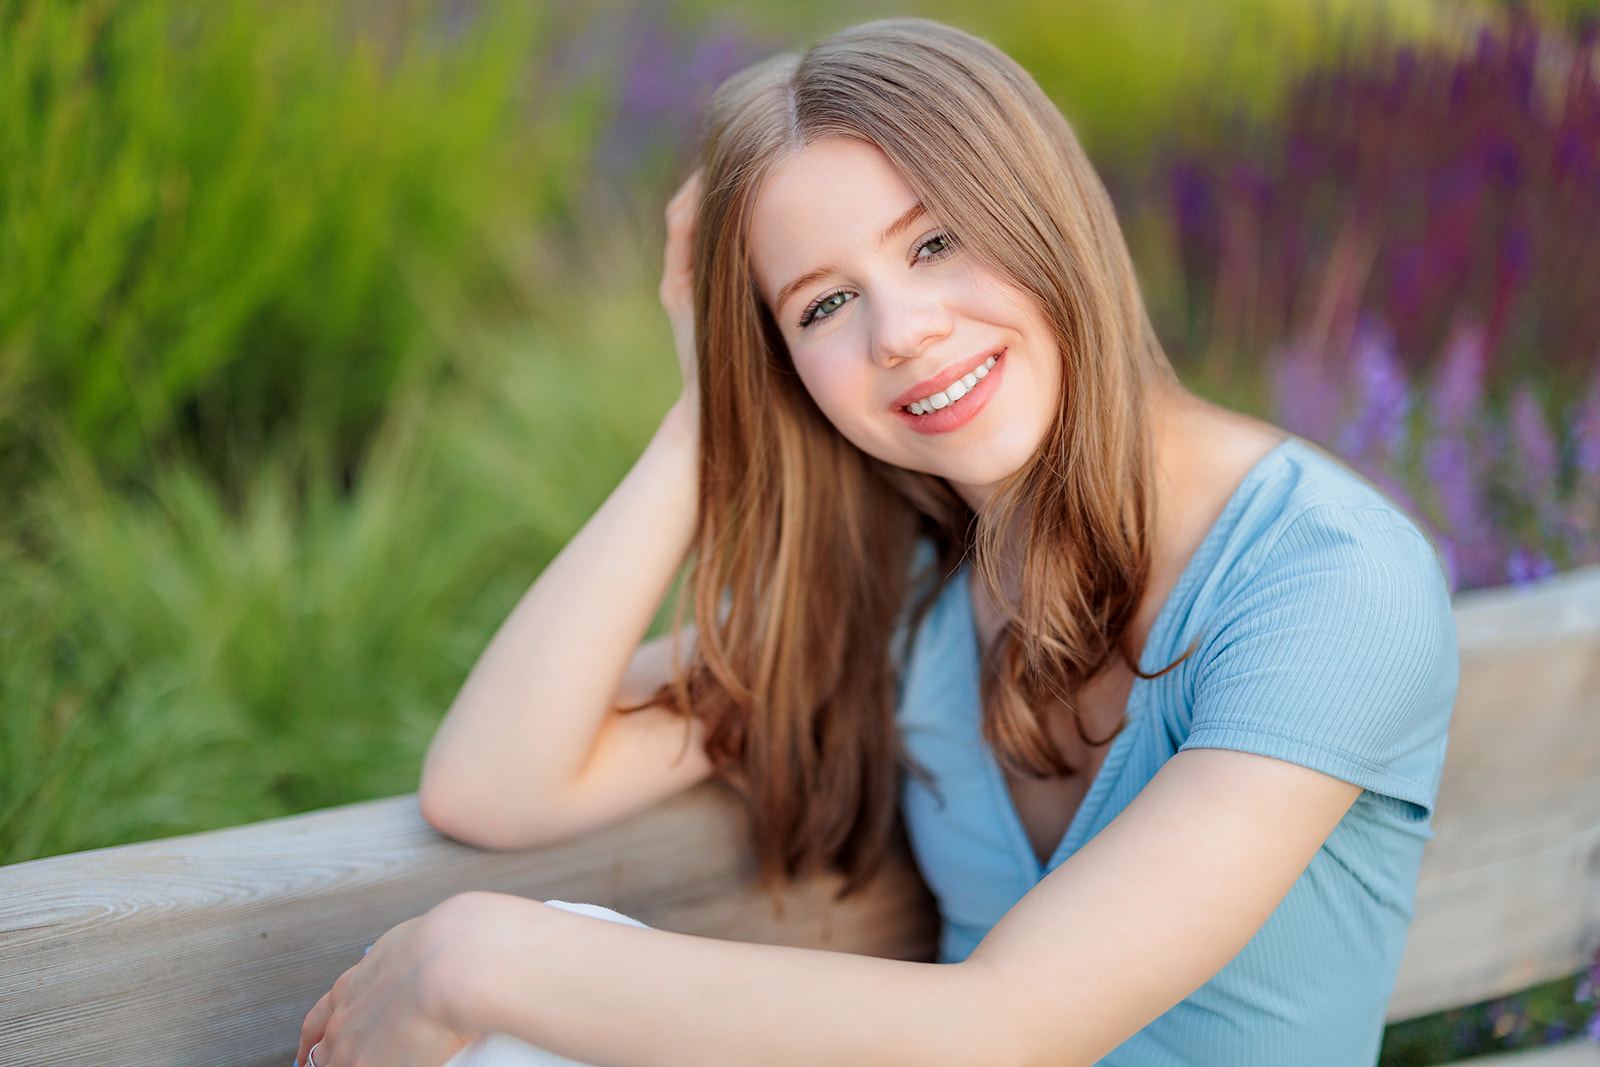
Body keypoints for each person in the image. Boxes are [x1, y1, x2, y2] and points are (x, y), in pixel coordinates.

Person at [296, 18, 1457, 1067]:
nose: (901, 330)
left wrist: (473, 958)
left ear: (1044, 211)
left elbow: (1012, 1024)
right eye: (821, 306)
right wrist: (705, 417)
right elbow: (496, 782)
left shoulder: (1323, 579)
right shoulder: (916, 591)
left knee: (513, 995)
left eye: (935, 240)